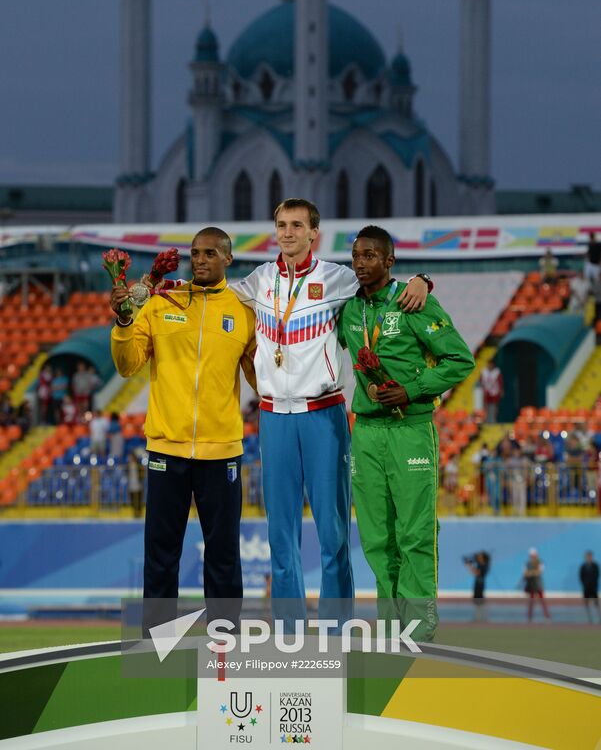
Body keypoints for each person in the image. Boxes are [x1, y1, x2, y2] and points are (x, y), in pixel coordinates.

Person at [230, 199, 430, 622]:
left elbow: (384, 284)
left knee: (333, 534)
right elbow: (213, 294)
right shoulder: (258, 280)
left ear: (313, 234)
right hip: (272, 418)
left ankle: (337, 629)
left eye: (296, 225)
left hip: (324, 416)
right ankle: (289, 631)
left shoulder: (339, 278)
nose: (287, 232)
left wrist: (422, 279)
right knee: (280, 536)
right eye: (281, 224)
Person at [110, 227, 256, 633]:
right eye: (195, 253)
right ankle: (156, 640)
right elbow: (127, 365)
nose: (201, 259)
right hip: (166, 449)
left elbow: (262, 380)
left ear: (228, 258)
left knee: (224, 551)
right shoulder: (161, 303)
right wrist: (124, 321)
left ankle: (224, 635)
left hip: (222, 451)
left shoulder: (244, 310)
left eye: (210, 253)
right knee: (160, 550)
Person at [338, 225, 475, 640]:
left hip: (410, 430)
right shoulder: (347, 308)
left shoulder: (414, 302)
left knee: (414, 531)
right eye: (356, 255)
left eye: (371, 256)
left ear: (390, 261)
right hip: (366, 432)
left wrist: (412, 390)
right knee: (377, 537)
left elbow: (460, 360)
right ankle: (391, 624)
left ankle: (419, 627)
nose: (361, 263)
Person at [523, 548, 551, 621]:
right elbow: (525, 573)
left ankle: (547, 616)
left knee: (541, 600)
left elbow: (539, 571)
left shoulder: (539, 562)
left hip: (537, 583)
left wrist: (531, 573)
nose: (532, 556)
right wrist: (530, 573)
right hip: (531, 584)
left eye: (533, 555)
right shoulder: (527, 563)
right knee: (531, 601)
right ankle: (529, 616)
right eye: (531, 555)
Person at [465, 551, 490, 622]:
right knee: (477, 602)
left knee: (480, 601)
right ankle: (478, 617)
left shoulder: (484, 565)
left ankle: (483, 617)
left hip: (480, 585)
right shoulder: (480, 564)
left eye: (480, 556)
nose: (478, 557)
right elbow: (475, 572)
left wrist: (470, 565)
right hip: (477, 585)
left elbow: (477, 572)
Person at [480, 357, 504, 425]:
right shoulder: (483, 371)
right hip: (486, 390)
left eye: (491, 364)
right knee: (485, 406)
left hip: (494, 391)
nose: (490, 366)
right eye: (489, 364)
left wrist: (501, 390)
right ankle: (485, 419)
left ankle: (494, 419)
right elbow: (481, 381)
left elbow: (500, 382)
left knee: (495, 406)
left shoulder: (497, 371)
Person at [579, 550, 600, 623]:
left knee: (596, 603)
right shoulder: (583, 566)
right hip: (586, 587)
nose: (588, 558)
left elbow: (597, 575)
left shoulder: (595, 566)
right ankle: (589, 618)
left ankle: (599, 617)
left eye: (590, 556)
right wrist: (585, 584)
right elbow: (581, 576)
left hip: (593, 587)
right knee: (587, 603)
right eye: (587, 556)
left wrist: (594, 584)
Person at [128, 450, 143, 517]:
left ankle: (139, 512)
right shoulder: (128, 465)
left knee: (138, 499)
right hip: (131, 484)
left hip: (138, 484)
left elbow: (142, 474)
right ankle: (134, 512)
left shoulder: (138, 465)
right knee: (132, 499)